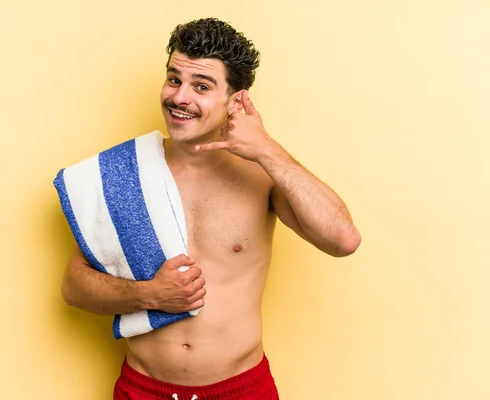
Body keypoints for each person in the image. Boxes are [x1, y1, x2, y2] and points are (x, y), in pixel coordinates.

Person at [61, 17, 361, 400]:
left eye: (201, 86)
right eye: (174, 79)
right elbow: (73, 287)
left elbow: (343, 239)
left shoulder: (263, 174)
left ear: (235, 100)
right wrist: (150, 296)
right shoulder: (123, 173)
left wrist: (268, 149)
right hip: (143, 389)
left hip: (241, 388)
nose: (179, 97)